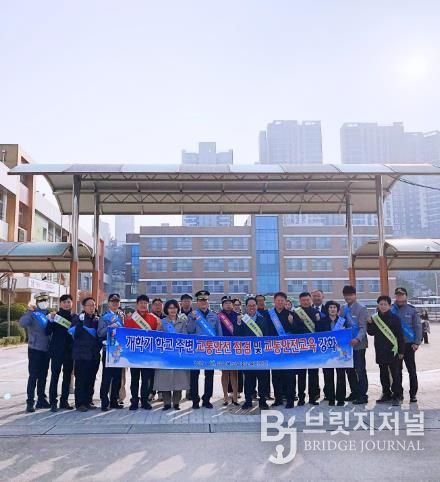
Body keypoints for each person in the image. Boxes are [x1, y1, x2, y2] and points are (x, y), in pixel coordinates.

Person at [124, 294, 162, 410]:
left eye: (145, 303)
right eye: (141, 303)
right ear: (137, 304)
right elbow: (125, 335)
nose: (143, 305)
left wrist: (159, 325)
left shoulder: (153, 318)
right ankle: (134, 401)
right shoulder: (130, 318)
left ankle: (145, 400)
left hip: (147, 355)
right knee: (134, 379)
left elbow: (157, 335)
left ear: (148, 305)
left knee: (146, 379)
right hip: (134, 355)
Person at [187, 290, 222, 409]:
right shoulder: (192, 315)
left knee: (209, 375)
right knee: (194, 375)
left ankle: (207, 399)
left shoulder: (214, 315)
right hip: (196, 350)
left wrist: (219, 348)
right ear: (197, 302)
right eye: (201, 300)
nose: (203, 302)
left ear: (208, 301)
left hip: (210, 350)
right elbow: (189, 331)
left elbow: (219, 333)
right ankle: (195, 400)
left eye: (205, 300)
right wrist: (193, 319)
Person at [367, 295, 405, 406]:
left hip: (393, 350)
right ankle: (386, 393)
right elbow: (371, 333)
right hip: (380, 350)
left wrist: (401, 351)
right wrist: (369, 323)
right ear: (378, 305)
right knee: (383, 373)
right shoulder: (375, 318)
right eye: (381, 304)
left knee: (395, 373)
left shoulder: (395, 318)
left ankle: (397, 395)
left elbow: (400, 336)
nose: (383, 306)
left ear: (389, 306)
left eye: (385, 304)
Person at [153, 299, 190, 410]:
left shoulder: (182, 322)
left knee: (179, 379)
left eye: (174, 308)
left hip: (178, 355)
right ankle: (167, 403)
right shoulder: (162, 322)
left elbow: (185, 336)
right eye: (170, 308)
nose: (172, 310)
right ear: (167, 309)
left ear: (178, 309)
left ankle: (176, 402)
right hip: (166, 355)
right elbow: (157, 336)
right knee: (165, 379)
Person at [19, 292, 51, 412]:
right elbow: (22, 323)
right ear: (37, 302)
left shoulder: (48, 314)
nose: (44, 303)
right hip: (35, 349)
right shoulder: (33, 314)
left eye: (45, 300)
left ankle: (41, 400)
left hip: (46, 350)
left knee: (43, 376)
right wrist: (29, 312)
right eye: (41, 301)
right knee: (33, 376)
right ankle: (30, 402)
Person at [236, 297, 270, 410]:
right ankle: (248, 401)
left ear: (256, 306)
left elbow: (267, 335)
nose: (252, 307)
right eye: (249, 305)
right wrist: (238, 323)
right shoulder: (242, 319)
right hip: (248, 355)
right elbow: (237, 335)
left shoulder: (263, 319)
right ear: (246, 307)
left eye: (253, 305)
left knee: (262, 379)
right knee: (249, 379)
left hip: (261, 354)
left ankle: (263, 401)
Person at [266, 291, 296, 408]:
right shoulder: (268, 315)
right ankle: (278, 399)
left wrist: (292, 323)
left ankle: (290, 400)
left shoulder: (291, 314)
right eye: (278, 300)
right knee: (276, 375)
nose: (279, 302)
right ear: (274, 301)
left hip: (288, 350)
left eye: (282, 300)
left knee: (289, 376)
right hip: (274, 350)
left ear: (285, 301)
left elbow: (299, 330)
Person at [70, 297, 101, 412]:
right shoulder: (78, 318)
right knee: (81, 379)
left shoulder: (97, 320)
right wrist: (80, 323)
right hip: (81, 355)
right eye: (89, 305)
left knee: (91, 379)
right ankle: (80, 403)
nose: (92, 308)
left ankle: (88, 401)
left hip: (94, 355)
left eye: (93, 305)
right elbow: (75, 334)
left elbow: (99, 336)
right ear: (84, 307)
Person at [392, 287, 422, 403]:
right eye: (397, 294)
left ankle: (413, 394)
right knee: (396, 371)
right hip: (395, 345)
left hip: (409, 345)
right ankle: (398, 394)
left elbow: (418, 327)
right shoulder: (391, 309)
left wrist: (417, 342)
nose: (399, 296)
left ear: (406, 296)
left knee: (411, 371)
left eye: (402, 294)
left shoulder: (412, 310)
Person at [46, 294, 75, 412]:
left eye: (68, 302)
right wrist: (51, 321)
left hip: (69, 352)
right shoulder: (55, 316)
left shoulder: (75, 317)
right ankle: (53, 402)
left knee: (67, 377)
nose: (66, 304)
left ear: (72, 303)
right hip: (57, 351)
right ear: (60, 304)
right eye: (64, 302)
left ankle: (64, 401)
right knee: (55, 376)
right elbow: (47, 332)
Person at [316, 300, 348, 406]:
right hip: (327, 353)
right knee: (328, 375)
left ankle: (341, 398)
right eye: (330, 307)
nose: (332, 309)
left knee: (341, 375)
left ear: (337, 310)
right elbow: (318, 337)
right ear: (327, 309)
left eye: (334, 307)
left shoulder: (343, 321)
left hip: (340, 352)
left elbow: (347, 336)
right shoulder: (321, 322)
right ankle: (330, 398)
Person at [341, 285, 369, 405]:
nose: (348, 297)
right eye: (346, 295)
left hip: (359, 344)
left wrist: (357, 339)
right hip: (347, 345)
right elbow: (340, 324)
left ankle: (363, 395)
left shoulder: (361, 308)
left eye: (350, 295)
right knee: (350, 370)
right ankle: (354, 392)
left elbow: (363, 327)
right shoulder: (343, 308)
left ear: (355, 295)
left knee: (360, 369)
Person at [98, 293, 125, 411]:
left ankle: (114, 400)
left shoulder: (121, 316)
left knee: (117, 377)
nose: (115, 304)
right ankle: (104, 402)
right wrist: (110, 328)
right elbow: (100, 332)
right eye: (113, 301)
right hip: (108, 351)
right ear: (108, 303)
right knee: (107, 377)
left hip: (119, 350)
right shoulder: (104, 317)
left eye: (117, 302)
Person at [292, 292, 320, 405]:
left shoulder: (316, 312)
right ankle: (301, 398)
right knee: (301, 375)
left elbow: (320, 330)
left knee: (313, 374)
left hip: (313, 349)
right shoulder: (295, 313)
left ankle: (313, 398)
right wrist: (299, 323)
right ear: (300, 301)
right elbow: (294, 330)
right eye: (303, 300)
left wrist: (318, 320)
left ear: (310, 300)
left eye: (307, 300)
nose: (306, 302)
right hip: (301, 348)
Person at [218, 295, 239, 406]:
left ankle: (235, 397)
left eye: (230, 303)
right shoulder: (218, 316)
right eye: (226, 303)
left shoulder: (238, 316)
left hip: (235, 347)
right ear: (222, 305)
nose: (228, 305)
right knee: (225, 372)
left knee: (234, 373)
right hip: (223, 347)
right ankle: (225, 396)